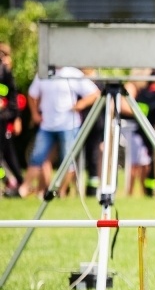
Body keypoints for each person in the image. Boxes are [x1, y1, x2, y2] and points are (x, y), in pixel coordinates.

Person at [18, 67, 100, 198]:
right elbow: (32, 94)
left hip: (68, 125)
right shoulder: (43, 73)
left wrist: (81, 104)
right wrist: (34, 114)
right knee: (37, 157)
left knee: (67, 160)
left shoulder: (73, 73)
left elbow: (95, 93)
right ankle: (23, 190)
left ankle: (59, 192)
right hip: (47, 125)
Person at [0, 43, 20, 196]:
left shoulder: (6, 73)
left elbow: (13, 99)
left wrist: (16, 118)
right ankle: (10, 181)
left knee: (9, 155)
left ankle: (14, 181)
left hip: (3, 119)